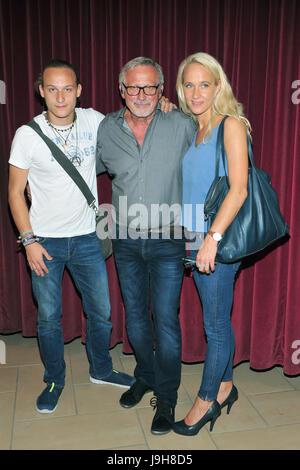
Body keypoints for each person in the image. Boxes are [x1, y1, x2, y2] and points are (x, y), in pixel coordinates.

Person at [8, 59, 135, 414]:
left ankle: (101, 369)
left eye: (67, 89)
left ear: (79, 90)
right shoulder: (27, 135)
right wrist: (29, 240)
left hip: (86, 239)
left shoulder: (95, 120)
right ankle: (54, 379)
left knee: (102, 312)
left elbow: (137, 116)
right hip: (44, 241)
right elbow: (15, 193)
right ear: (41, 91)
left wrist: (166, 104)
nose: (60, 97)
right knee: (49, 317)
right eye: (52, 89)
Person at [96, 57, 196, 434]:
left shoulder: (181, 124)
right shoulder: (106, 129)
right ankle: (147, 375)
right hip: (124, 238)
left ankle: (166, 397)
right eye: (134, 87)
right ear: (121, 90)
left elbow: (212, 162)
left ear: (161, 91)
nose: (142, 94)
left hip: (169, 239)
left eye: (150, 87)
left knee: (166, 320)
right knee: (135, 317)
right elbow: (84, 173)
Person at [172, 52, 249, 436]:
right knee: (218, 319)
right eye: (189, 84)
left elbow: (238, 190)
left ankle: (205, 401)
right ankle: (226, 386)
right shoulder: (193, 128)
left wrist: (211, 240)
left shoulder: (229, 125)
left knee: (214, 326)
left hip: (214, 242)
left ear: (219, 85)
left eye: (205, 83)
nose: (197, 92)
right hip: (192, 239)